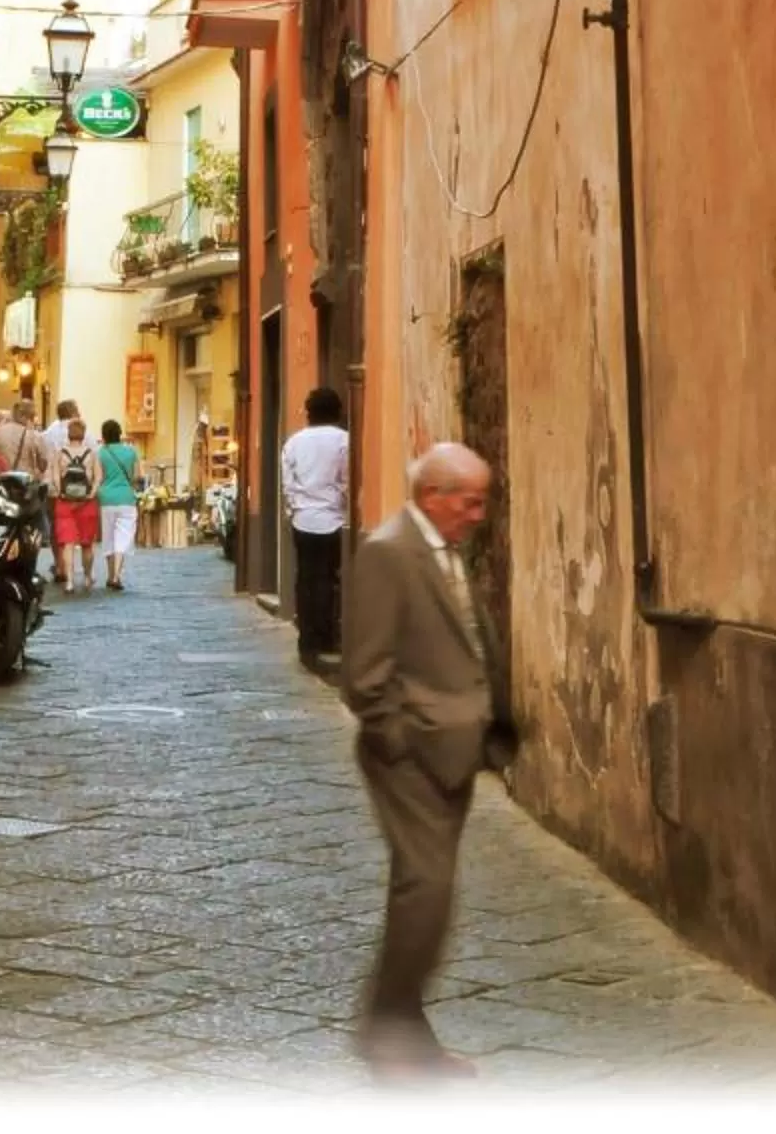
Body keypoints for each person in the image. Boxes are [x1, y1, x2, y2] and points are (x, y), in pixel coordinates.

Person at [341, 443, 517, 1080]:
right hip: (413, 756)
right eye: (470, 502)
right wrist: (403, 739)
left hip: (452, 751)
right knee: (428, 891)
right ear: (433, 496)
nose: (479, 515)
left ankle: (403, 1035)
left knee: (421, 894)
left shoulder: (441, 548)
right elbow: (365, 674)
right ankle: (388, 1034)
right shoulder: (388, 553)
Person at [280, 384, 349, 667]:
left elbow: (288, 484)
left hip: (303, 519)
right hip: (333, 519)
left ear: (309, 413)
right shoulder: (344, 440)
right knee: (329, 579)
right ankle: (327, 636)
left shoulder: (294, 443)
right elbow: (347, 480)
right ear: (337, 411)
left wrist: (294, 508)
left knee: (305, 579)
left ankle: (307, 639)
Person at [49, 412, 102, 592]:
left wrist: (60, 492)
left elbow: (55, 477)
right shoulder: (91, 454)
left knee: (67, 543)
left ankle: (70, 581)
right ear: (84, 434)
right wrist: (91, 494)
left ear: (68, 434)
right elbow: (98, 477)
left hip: (64, 503)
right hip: (87, 503)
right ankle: (87, 576)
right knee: (87, 545)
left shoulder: (60, 453)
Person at [93, 417, 142, 592]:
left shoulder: (101, 453)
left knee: (108, 538)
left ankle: (110, 575)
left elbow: (98, 478)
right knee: (123, 536)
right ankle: (116, 576)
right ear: (120, 434)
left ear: (104, 435)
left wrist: (93, 493)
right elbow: (137, 476)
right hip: (126, 498)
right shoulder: (131, 452)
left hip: (106, 499)